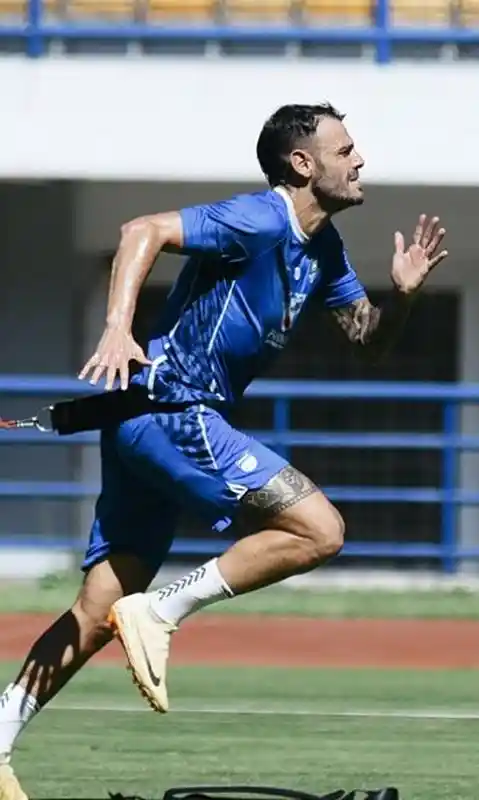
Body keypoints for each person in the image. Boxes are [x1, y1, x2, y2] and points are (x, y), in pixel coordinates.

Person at [0, 103, 448, 800]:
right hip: (172, 411)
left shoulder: (325, 249)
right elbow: (142, 230)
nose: (360, 160)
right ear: (302, 164)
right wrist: (118, 328)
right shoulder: (260, 218)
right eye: (346, 150)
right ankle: (161, 613)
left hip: (148, 423)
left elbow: (367, 340)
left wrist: (404, 297)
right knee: (319, 529)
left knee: (96, 610)